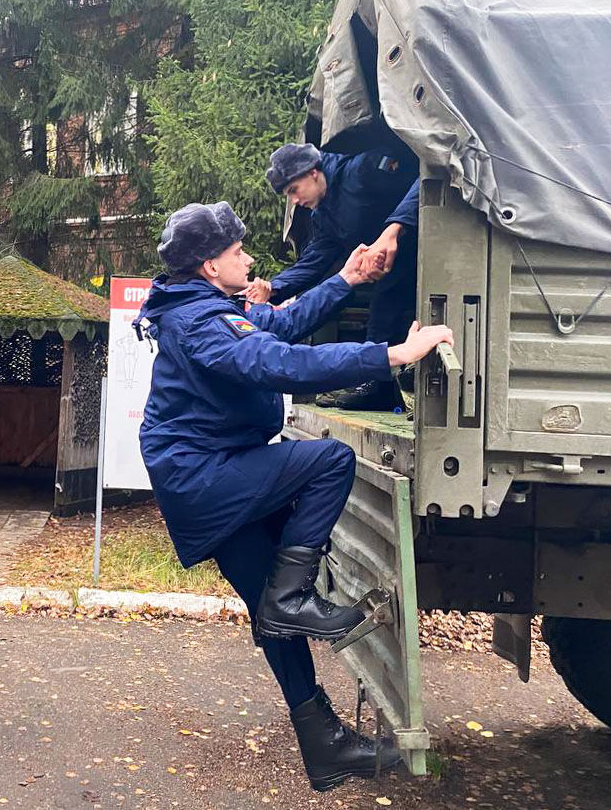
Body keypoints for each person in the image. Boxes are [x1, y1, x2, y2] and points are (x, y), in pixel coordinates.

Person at [137, 201, 452, 791]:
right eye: (237, 252)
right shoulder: (200, 320)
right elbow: (273, 359)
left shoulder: (204, 306)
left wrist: (346, 279)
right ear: (210, 266)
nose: (249, 259)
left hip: (207, 476)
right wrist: (391, 356)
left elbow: (276, 325)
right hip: (207, 478)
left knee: (271, 617)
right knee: (328, 460)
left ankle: (325, 745)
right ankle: (291, 598)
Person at [249, 142, 420, 411]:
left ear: (313, 172)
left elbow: (428, 174)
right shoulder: (325, 215)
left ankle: (384, 386)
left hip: (432, 251)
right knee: (382, 318)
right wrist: (274, 288)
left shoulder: (361, 170)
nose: (294, 200)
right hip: (396, 273)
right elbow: (315, 261)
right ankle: (381, 388)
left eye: (294, 190)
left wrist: (394, 230)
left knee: (389, 316)